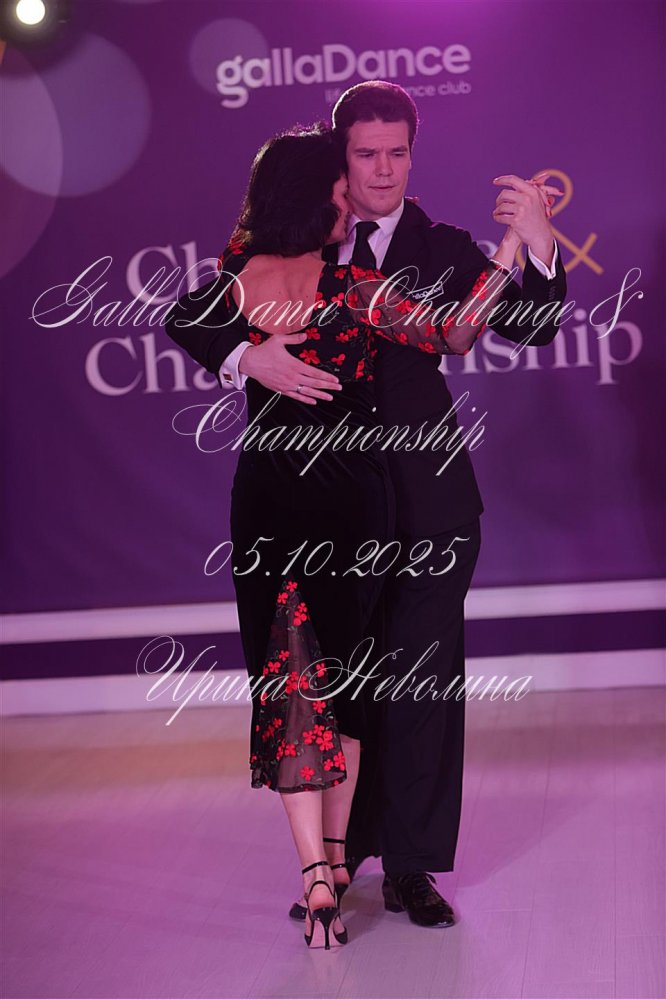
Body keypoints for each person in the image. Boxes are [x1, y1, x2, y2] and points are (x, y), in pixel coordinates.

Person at [206, 82, 568, 930]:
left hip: (430, 503)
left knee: (422, 686)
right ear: (338, 157)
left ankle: (410, 867)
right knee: (334, 687)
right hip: (322, 515)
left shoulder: (441, 247)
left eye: (396, 153)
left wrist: (540, 246)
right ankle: (335, 863)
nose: (382, 170)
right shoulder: (296, 239)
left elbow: (533, 323)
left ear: (413, 152)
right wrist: (244, 359)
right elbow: (203, 312)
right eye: (365, 154)